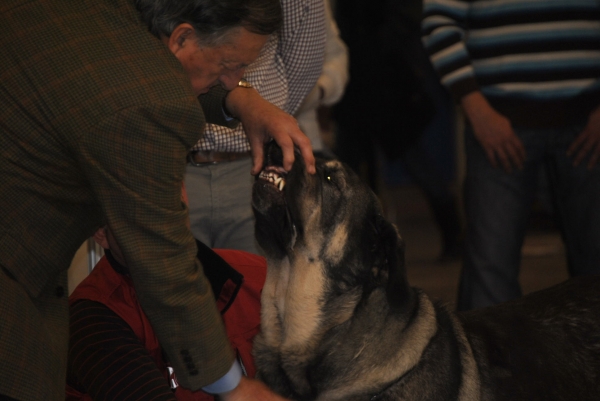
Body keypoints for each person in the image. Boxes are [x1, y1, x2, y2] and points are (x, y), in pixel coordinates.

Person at [0, 0, 314, 400]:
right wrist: (234, 388)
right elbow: (163, 262)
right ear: (182, 36)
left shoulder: (105, 20)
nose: (234, 81)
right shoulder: (96, 315)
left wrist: (238, 101)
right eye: (226, 66)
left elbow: (119, 75)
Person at [422, 0, 600, 310]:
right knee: (489, 277)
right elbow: (438, 22)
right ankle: (487, 359)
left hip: (589, 121)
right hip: (496, 119)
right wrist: (476, 110)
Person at [186, 0, 338, 254]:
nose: (232, 79)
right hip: (174, 161)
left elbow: (302, 65)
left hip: (251, 168)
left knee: (258, 286)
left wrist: (267, 110)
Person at [67, 226, 266, 401]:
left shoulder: (261, 280)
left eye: (167, 200)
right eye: (135, 214)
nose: (157, 225)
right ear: (101, 233)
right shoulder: (92, 319)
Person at [332, 0, 463, 261]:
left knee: (418, 165)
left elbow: (406, 25)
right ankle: (362, 249)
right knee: (352, 175)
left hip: (388, 89)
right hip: (354, 93)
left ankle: (455, 238)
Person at [294, 0, 349, 160]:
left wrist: (318, 91)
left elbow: (337, 55)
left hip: (308, 140)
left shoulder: (314, 3)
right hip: (246, 149)